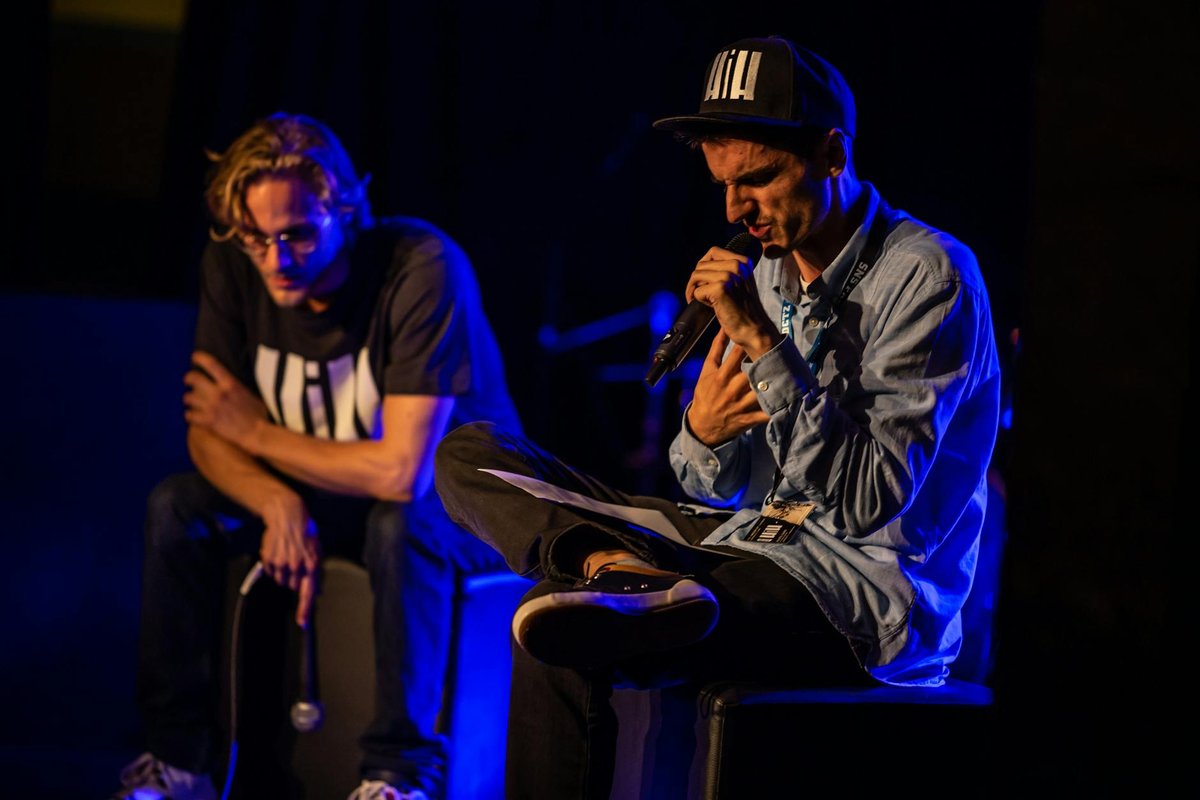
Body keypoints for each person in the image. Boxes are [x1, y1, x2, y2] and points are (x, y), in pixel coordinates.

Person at [433, 35, 1001, 798]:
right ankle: (617, 569)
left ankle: (628, 589)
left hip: (856, 596)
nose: (737, 209)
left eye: (759, 180)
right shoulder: (764, 272)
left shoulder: (928, 273)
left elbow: (872, 505)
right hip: (745, 544)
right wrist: (701, 431)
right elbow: (714, 483)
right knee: (470, 451)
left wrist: (764, 345)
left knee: (554, 623)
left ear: (832, 154)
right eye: (723, 184)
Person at [114, 112, 521, 800]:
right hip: (326, 493)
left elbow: (402, 471)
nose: (275, 259)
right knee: (177, 507)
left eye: (297, 234)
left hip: (465, 508)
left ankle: (398, 774)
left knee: (403, 523)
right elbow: (207, 432)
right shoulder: (234, 267)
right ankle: (179, 760)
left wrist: (259, 435)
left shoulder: (419, 267)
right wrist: (276, 499)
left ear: (343, 210)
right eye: (255, 237)